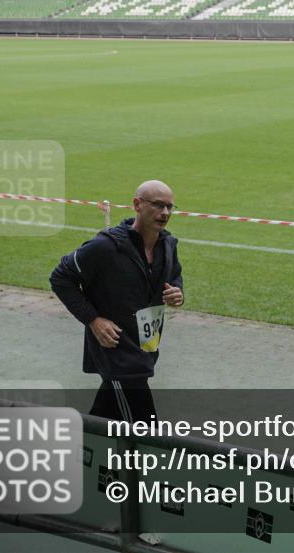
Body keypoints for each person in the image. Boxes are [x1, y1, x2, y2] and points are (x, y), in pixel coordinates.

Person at [50, 180, 183, 423]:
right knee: (144, 426)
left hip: (146, 345)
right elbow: (60, 277)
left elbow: (174, 275)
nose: (165, 212)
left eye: (169, 207)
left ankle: (83, 442)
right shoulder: (106, 246)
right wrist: (94, 320)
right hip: (117, 348)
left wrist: (177, 292)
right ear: (137, 204)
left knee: (108, 413)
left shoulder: (168, 245)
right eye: (158, 205)